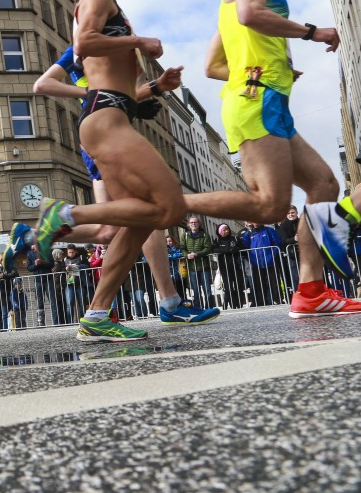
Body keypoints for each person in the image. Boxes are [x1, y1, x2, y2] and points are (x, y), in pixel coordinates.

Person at [7, 0, 207, 342]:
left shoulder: (107, 3)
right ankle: (62, 217)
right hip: (104, 120)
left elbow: (121, 88)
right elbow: (83, 46)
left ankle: (98, 314)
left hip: (113, 113)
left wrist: (155, 87)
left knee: (136, 219)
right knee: (164, 206)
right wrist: (138, 43)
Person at [186, 0, 361, 317]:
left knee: (323, 185)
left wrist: (278, 69)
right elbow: (252, 14)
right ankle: (168, 201)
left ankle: (311, 291)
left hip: (264, 96)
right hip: (258, 101)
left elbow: (213, 65)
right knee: (271, 206)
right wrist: (311, 32)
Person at [12, 40, 218, 326]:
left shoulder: (110, 49)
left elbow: (118, 97)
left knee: (109, 230)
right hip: (104, 139)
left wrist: (154, 88)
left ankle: (30, 236)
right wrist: (91, 93)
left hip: (106, 137)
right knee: (150, 213)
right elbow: (44, 84)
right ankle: (168, 301)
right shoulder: (84, 45)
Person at [240, 221, 283, 306]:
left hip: (270, 261)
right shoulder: (248, 234)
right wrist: (251, 259)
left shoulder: (269, 230)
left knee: (274, 282)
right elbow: (245, 247)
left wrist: (272, 256)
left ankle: (278, 300)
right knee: (259, 283)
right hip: (256, 263)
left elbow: (277, 243)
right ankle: (261, 301)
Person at [182, 216, 215, 308]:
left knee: (207, 290)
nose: (193, 224)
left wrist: (197, 254)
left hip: (204, 266)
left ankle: (209, 308)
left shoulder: (205, 235)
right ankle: (198, 309)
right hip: (192, 267)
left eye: (195, 222)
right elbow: (182, 248)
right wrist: (187, 255)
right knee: (196, 291)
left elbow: (208, 248)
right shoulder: (185, 235)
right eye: (191, 222)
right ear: (188, 224)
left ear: (199, 224)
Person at [212, 223, 247, 308]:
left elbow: (242, 248)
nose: (226, 231)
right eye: (224, 230)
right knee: (228, 287)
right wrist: (226, 250)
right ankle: (232, 304)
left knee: (239, 285)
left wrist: (234, 250)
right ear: (220, 232)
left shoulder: (235, 238)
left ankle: (239, 304)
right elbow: (213, 249)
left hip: (236, 265)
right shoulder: (217, 241)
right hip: (224, 267)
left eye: (227, 229)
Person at [276, 205, 301, 296]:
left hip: (304, 254)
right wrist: (294, 239)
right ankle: (298, 295)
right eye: (288, 213)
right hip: (292, 254)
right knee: (295, 277)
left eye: (292, 212)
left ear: (296, 213)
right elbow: (284, 240)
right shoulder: (283, 225)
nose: (291, 215)